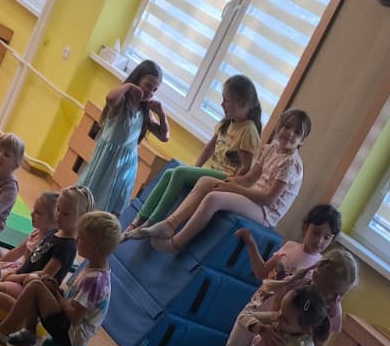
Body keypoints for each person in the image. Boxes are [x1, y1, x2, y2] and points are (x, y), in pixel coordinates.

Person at [175, 216, 345, 346]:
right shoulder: (295, 257)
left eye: (327, 237)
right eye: (316, 233)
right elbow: (265, 279)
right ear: (305, 228)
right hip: (258, 313)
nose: (320, 240)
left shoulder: (324, 287)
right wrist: (250, 242)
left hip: (276, 333)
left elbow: (316, 339)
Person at [136, 108, 311, 253]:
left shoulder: (291, 163)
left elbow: (268, 199)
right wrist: (231, 182)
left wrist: (235, 189)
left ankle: (176, 244)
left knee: (214, 198)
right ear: (279, 126)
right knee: (206, 182)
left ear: (302, 140)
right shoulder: (271, 149)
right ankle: (170, 224)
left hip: (266, 212)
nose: (290, 133)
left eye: (297, 132)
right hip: (254, 198)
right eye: (287, 126)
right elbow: (250, 178)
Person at [124, 76, 261, 234]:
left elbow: (246, 167)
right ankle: (139, 218)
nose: (222, 104)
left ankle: (152, 222)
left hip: (227, 178)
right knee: (170, 173)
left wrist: (230, 186)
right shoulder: (228, 122)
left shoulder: (248, 130)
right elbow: (210, 147)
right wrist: (195, 168)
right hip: (215, 173)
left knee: (180, 173)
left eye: (226, 100)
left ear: (242, 103)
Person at [0, 210, 120, 346]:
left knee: (35, 285)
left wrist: (55, 293)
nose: (76, 239)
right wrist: (53, 287)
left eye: (81, 238)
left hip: (71, 335)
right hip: (67, 322)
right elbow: (75, 302)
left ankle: (3, 331)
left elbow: (75, 317)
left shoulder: (95, 281)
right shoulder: (94, 267)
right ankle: (29, 332)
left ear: (93, 248)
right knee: (37, 281)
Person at [0, 185, 90, 329]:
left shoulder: (67, 246)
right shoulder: (53, 231)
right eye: (58, 209)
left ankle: (27, 316)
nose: (58, 215)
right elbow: (30, 260)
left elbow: (44, 275)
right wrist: (14, 272)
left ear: (80, 219)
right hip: (21, 279)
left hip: (30, 289)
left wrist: (15, 277)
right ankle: (21, 309)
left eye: (65, 214)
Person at [83, 61, 168, 218]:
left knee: (115, 206)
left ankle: (101, 229)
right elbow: (110, 98)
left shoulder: (145, 111)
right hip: (108, 158)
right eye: (147, 85)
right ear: (137, 79)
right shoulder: (122, 102)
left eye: (154, 89)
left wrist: (161, 114)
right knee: (91, 198)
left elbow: (164, 137)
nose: (150, 92)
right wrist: (128, 86)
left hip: (127, 163)